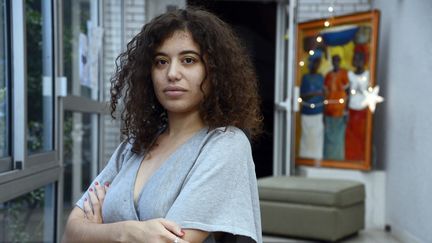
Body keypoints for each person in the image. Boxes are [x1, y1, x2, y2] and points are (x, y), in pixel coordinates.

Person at [62, 8, 263, 243]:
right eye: (161, 62)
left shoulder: (226, 144)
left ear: (215, 71)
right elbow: (71, 232)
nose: (172, 73)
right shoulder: (134, 146)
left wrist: (97, 232)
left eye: (189, 60)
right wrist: (128, 233)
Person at [299, 50, 325, 160]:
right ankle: (305, 160)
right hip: (307, 112)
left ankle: (316, 161)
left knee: (317, 138)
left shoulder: (321, 77)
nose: (317, 65)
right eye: (316, 62)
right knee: (307, 137)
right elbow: (302, 96)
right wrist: (315, 93)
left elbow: (325, 95)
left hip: (318, 112)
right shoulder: (305, 78)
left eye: (318, 63)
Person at [323, 54, 349, 160]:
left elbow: (348, 92)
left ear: (340, 61)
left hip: (340, 111)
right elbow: (325, 93)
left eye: (337, 60)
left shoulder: (344, 74)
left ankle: (338, 160)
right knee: (328, 138)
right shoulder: (328, 75)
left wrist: (346, 111)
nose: (335, 62)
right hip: (329, 111)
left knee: (339, 138)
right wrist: (324, 112)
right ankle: (328, 160)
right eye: (334, 60)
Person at [345, 50, 369, 160]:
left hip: (363, 109)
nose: (356, 61)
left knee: (362, 135)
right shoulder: (350, 75)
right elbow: (347, 93)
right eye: (355, 59)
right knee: (351, 136)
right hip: (352, 109)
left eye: (359, 59)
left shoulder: (368, 74)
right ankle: (352, 157)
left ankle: (362, 157)